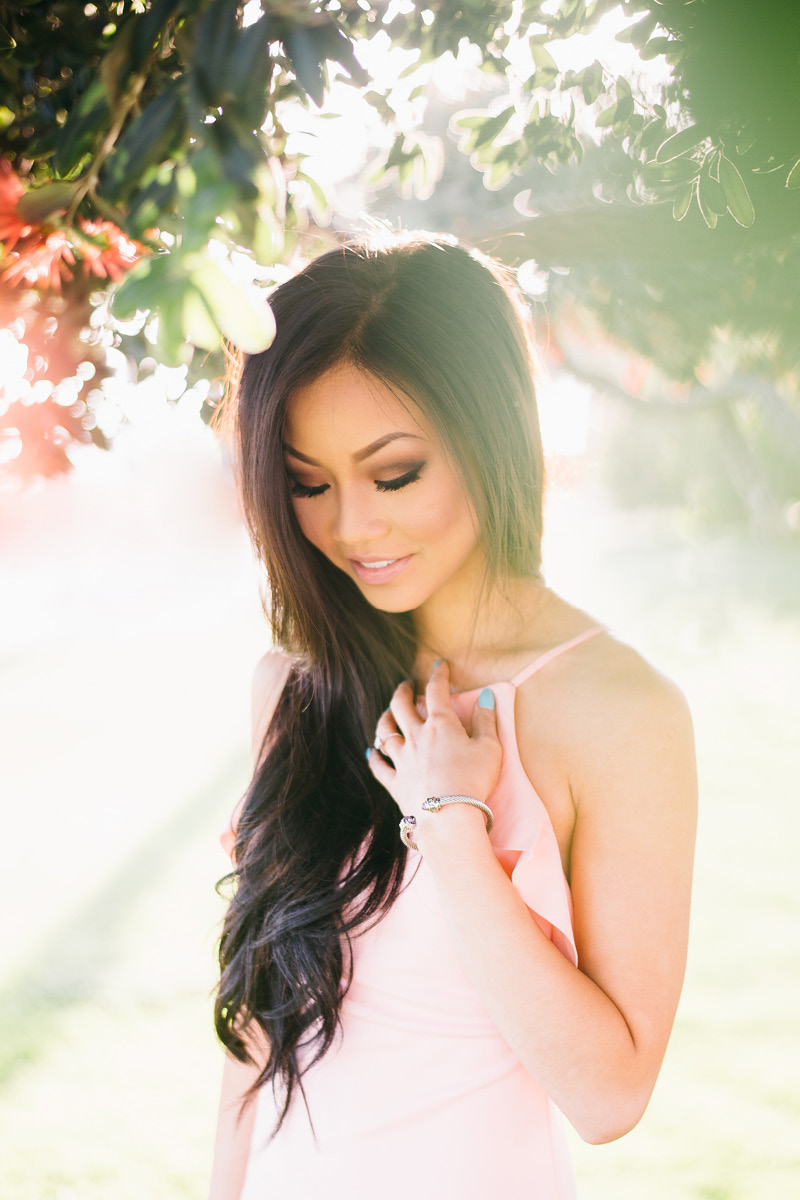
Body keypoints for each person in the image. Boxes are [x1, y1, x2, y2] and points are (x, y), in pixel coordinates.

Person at [208, 232, 697, 1200]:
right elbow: (256, 1038)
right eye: (308, 484)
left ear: (487, 433)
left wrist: (453, 832)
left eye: (393, 475)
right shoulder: (293, 691)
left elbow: (608, 1096)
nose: (350, 526)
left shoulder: (618, 714)